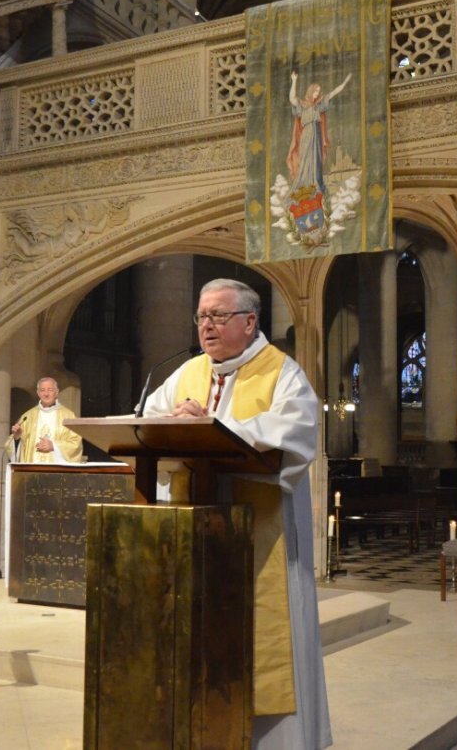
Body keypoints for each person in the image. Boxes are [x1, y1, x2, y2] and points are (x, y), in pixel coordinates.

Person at [140, 278, 331, 750]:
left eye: (218, 315)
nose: (206, 325)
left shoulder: (282, 373)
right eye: (202, 316)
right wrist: (173, 425)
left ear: (249, 322)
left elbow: (296, 431)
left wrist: (210, 426)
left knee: (265, 639)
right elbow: (146, 421)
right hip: (195, 533)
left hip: (260, 536)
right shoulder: (186, 373)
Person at [5, 377, 83, 464]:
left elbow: (76, 443)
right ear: (38, 393)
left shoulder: (69, 416)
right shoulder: (27, 416)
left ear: (56, 392)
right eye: (42, 390)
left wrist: (54, 446)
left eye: (50, 390)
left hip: (57, 471)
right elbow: (15, 450)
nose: (46, 394)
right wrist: (17, 438)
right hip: (32, 470)